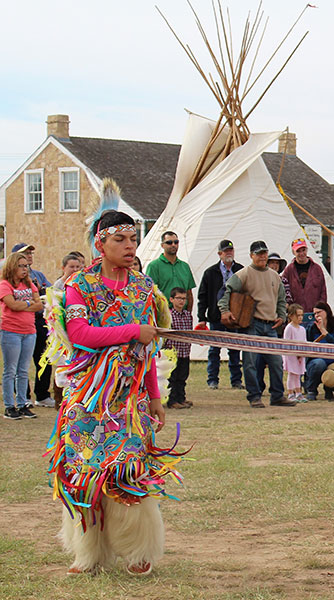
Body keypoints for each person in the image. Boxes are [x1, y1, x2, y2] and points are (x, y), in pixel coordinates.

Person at [46, 200, 178, 576]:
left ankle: (140, 550)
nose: (130, 246)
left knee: (129, 471)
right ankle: (89, 553)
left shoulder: (143, 288)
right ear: (100, 245)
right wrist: (131, 331)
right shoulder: (79, 287)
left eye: (133, 239)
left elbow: (147, 350)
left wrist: (154, 396)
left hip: (128, 400)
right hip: (87, 399)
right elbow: (80, 334)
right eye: (120, 239)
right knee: (85, 473)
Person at [219, 240, 293, 408]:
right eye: (259, 254)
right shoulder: (243, 274)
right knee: (250, 362)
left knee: (276, 363)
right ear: (251, 255)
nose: (262, 256)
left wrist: (281, 316)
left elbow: (281, 299)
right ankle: (254, 396)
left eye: (264, 253)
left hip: (271, 325)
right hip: (252, 323)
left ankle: (277, 395)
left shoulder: (275, 276)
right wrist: (225, 311)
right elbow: (226, 292)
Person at [197, 239, 244, 390]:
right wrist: (202, 318)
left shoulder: (241, 270)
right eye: (225, 251)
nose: (229, 253)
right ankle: (212, 379)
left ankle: (236, 380)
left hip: (235, 317)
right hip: (216, 317)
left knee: (235, 349)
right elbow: (202, 296)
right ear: (219, 254)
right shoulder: (210, 272)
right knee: (214, 349)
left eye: (231, 250)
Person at [1, 251, 43, 419]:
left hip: (29, 331)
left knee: (23, 371)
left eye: (27, 266)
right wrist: (28, 303)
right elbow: (12, 305)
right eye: (21, 266)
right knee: (10, 370)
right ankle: (9, 406)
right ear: (12, 266)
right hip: (11, 331)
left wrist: (26, 304)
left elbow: (39, 305)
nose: (25, 269)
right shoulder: (5, 284)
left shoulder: (30, 284)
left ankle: (23, 403)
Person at [11, 242, 53, 408]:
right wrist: (32, 303)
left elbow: (48, 295)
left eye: (30, 253)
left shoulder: (39, 275)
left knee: (44, 358)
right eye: (25, 253)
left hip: (39, 320)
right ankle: (24, 396)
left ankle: (42, 395)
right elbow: (13, 303)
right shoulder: (9, 279)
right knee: (21, 362)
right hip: (18, 322)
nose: (29, 256)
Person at [49, 253, 86, 408]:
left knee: (75, 364)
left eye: (78, 267)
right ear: (63, 268)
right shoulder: (58, 286)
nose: (75, 269)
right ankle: (59, 397)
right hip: (62, 331)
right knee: (62, 364)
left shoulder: (81, 284)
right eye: (72, 267)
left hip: (77, 329)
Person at [303, 302, 334, 401]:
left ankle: (329, 389)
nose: (317, 315)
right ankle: (311, 389)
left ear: (327, 312)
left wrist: (325, 332)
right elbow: (307, 347)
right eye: (314, 314)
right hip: (316, 360)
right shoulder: (311, 328)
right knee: (319, 363)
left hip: (333, 360)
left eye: (319, 312)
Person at [145, 231, 195, 311]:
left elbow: (189, 293)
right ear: (162, 245)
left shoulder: (185, 266)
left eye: (176, 242)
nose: (173, 245)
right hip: (162, 313)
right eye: (169, 242)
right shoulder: (154, 266)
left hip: (182, 313)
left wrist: (188, 314)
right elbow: (150, 293)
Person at [163, 287, 193, 410]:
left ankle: (181, 397)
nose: (181, 301)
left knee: (183, 376)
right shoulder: (168, 315)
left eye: (183, 299)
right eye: (178, 298)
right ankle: (172, 400)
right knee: (172, 378)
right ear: (171, 299)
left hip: (185, 351)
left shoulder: (187, 315)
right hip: (172, 352)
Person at [282, 238, 327, 313]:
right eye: (298, 251)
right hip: (296, 315)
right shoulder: (289, 270)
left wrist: (321, 309)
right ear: (293, 252)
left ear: (307, 250)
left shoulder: (317, 269)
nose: (301, 253)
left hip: (314, 314)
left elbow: (323, 291)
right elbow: (283, 291)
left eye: (303, 250)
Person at [283, 303, 307, 403]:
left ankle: (298, 393)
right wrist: (293, 353)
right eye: (298, 315)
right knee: (292, 374)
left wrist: (302, 353)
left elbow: (304, 341)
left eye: (302, 315)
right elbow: (286, 342)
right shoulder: (289, 328)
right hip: (291, 355)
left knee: (298, 374)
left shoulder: (302, 329)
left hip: (300, 355)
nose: (300, 318)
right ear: (291, 316)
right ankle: (290, 393)